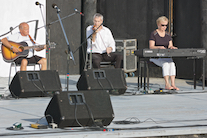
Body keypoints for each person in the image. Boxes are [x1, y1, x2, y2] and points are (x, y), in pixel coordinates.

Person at [149, 16, 179, 90]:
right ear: (158, 24)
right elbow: (151, 46)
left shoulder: (168, 34)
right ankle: (167, 84)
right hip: (156, 57)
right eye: (163, 25)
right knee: (165, 64)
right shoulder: (154, 34)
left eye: (166, 25)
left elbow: (170, 45)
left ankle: (173, 84)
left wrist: (172, 47)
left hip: (166, 57)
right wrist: (159, 47)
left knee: (172, 64)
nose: (164, 27)